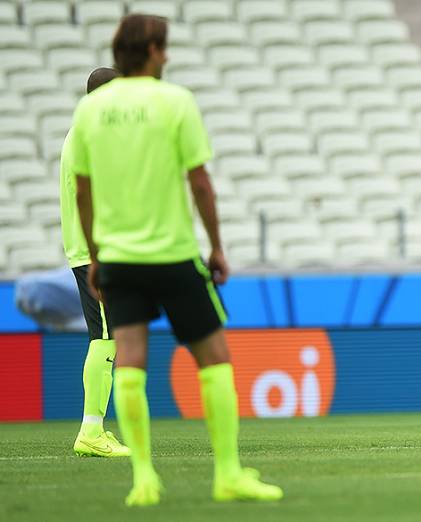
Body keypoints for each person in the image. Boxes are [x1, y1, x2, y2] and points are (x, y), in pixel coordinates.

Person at [71, 14, 282, 505]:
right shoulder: (175, 102)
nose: (166, 56)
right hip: (172, 253)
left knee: (131, 362)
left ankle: (144, 480)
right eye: (162, 48)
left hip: (118, 257)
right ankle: (227, 474)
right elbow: (200, 182)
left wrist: (97, 256)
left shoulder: (90, 113)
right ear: (147, 52)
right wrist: (216, 246)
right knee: (214, 358)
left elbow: (83, 191)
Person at [60, 66, 130, 458]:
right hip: (94, 253)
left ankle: (94, 428)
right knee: (104, 337)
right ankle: (91, 430)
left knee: (107, 336)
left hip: (91, 251)